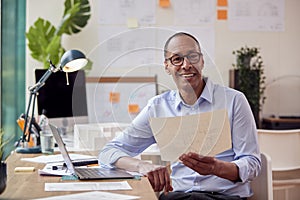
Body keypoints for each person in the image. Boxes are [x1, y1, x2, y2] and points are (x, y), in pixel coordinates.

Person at [99, 32, 261, 200]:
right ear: (167, 66)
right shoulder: (158, 107)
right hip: (178, 196)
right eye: (177, 59)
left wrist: (216, 168)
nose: (186, 65)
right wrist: (141, 166)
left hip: (223, 196)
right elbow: (108, 152)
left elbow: (252, 163)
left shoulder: (234, 101)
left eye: (193, 56)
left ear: (202, 61)